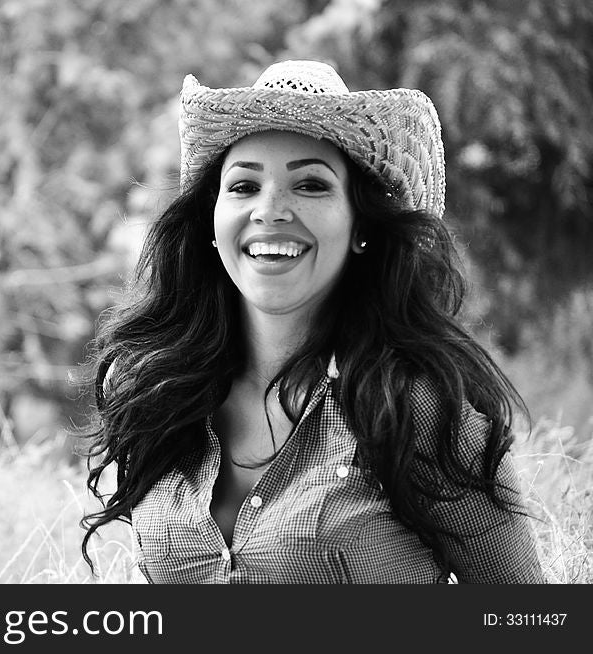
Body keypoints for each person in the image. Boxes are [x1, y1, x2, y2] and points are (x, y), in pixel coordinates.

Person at [79, 60, 544, 583]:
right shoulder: (157, 393)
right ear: (211, 221)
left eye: (311, 185)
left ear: (360, 226)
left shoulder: (418, 405)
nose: (270, 210)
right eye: (243, 186)